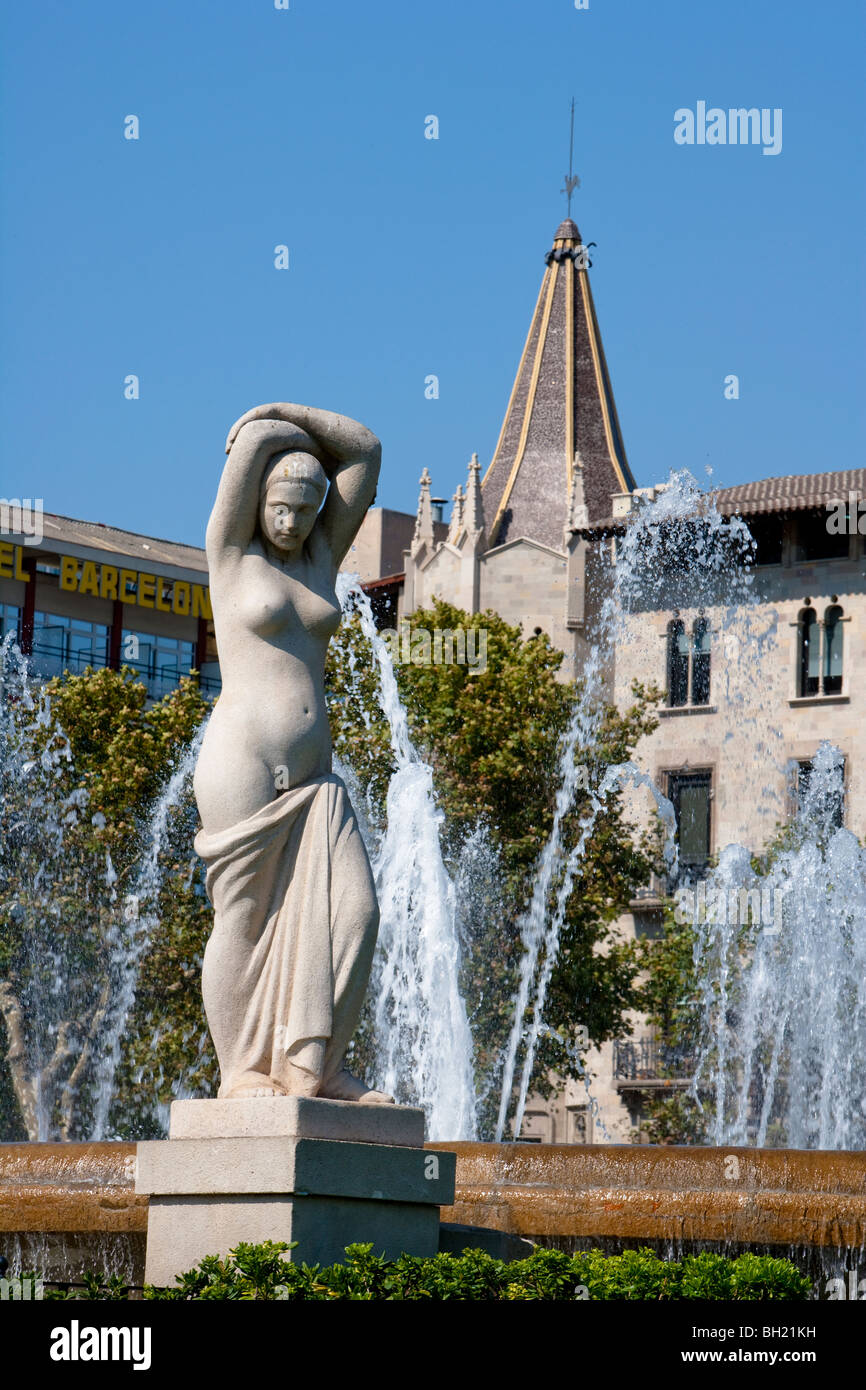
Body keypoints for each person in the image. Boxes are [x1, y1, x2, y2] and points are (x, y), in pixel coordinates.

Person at [193, 402, 393, 1103]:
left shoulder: (319, 559)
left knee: (358, 913)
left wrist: (288, 414)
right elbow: (246, 449)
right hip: (241, 761)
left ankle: (316, 1068)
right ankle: (240, 1071)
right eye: (282, 507)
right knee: (242, 919)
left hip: (318, 781)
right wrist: (269, 423)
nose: (295, 521)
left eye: (308, 510)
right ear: (260, 503)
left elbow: (365, 451)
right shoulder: (229, 555)